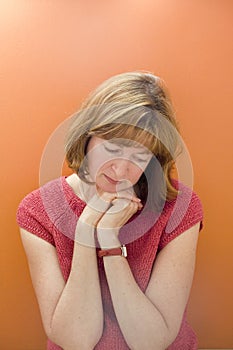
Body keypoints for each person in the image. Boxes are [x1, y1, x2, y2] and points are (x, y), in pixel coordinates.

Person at [16, 71, 203, 350]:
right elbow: (76, 341)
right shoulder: (37, 210)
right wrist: (84, 230)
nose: (120, 170)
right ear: (87, 136)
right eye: (113, 148)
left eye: (139, 157)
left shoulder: (179, 207)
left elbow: (151, 342)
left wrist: (109, 241)